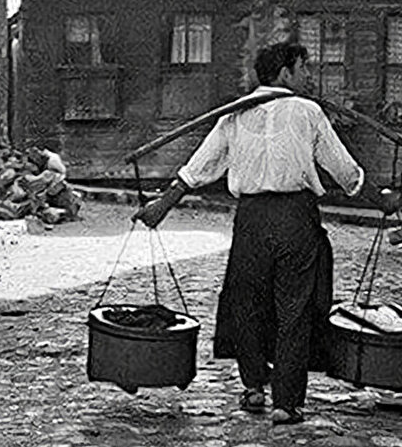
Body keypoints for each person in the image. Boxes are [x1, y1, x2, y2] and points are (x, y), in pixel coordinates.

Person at [133, 42, 364, 426]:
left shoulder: (236, 114)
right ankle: (286, 403)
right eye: (304, 68)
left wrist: (164, 204)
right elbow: (344, 171)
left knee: (248, 303)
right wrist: (369, 191)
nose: (308, 76)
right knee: (294, 310)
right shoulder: (308, 112)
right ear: (285, 73)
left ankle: (254, 385)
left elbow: (199, 166)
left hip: (252, 220)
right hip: (294, 218)